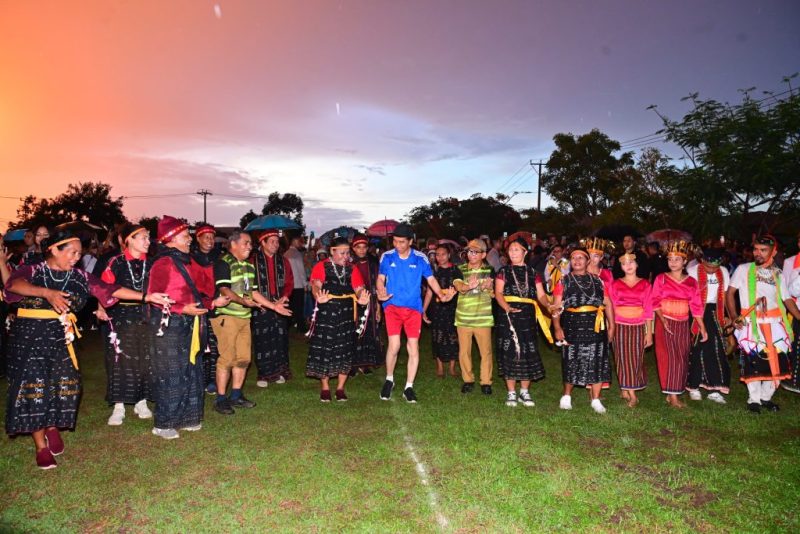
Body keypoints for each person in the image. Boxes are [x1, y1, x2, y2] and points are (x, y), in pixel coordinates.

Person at [4, 230, 171, 468]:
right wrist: (47, 292)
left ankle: (51, 426)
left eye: (79, 254)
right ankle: (41, 446)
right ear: (54, 249)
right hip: (29, 338)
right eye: (71, 253)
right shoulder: (33, 269)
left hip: (61, 337)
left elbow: (109, 290)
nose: (76, 258)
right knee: (35, 387)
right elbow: (14, 284)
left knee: (65, 384)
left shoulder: (80, 276)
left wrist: (146, 296)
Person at [147, 216, 229, 440]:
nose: (189, 238)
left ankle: (188, 418)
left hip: (189, 323)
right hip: (168, 325)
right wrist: (183, 309)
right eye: (185, 235)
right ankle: (163, 424)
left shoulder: (188, 261)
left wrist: (213, 303)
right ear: (170, 239)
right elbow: (154, 298)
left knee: (192, 370)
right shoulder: (162, 263)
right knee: (171, 373)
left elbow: (200, 289)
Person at [212, 230, 290, 415]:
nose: (250, 246)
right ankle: (221, 399)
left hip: (245, 318)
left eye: (250, 243)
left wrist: (273, 306)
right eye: (246, 243)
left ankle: (236, 395)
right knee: (227, 359)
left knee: (244, 358)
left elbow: (253, 293)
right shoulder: (224, 262)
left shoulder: (249, 266)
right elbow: (224, 289)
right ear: (234, 244)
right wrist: (242, 301)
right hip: (227, 317)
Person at [376, 223, 453, 403]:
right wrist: (380, 290)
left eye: (402, 242)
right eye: (395, 241)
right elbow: (380, 279)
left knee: (413, 347)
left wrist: (441, 294)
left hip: (413, 308)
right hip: (392, 305)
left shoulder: (420, 258)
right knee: (394, 345)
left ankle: (409, 387)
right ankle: (389, 380)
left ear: (411, 241)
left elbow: (431, 279)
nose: (397, 245)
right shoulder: (386, 257)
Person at [726, 235, 800, 413]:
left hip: (775, 324)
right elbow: (730, 293)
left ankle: (766, 398)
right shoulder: (743, 269)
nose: (757, 253)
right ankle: (754, 400)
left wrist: (799, 316)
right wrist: (735, 315)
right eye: (755, 249)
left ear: (773, 252)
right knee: (754, 361)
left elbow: (786, 299)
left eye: (763, 250)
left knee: (778, 361)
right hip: (752, 324)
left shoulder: (778, 273)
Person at [98, 224, 155, 426]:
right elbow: (105, 288)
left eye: (149, 238)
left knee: (144, 359)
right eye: (144, 238)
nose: (149, 242)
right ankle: (119, 406)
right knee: (120, 359)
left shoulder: (153, 263)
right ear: (129, 239)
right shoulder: (116, 262)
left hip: (145, 315)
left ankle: (141, 401)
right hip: (120, 315)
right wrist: (101, 307)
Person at [551, 247, 615, 414]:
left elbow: (607, 303)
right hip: (573, 325)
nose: (577, 261)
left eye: (581, 258)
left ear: (588, 261)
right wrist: (557, 327)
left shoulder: (599, 281)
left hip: (596, 325)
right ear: (570, 262)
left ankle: (595, 399)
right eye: (574, 258)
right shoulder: (564, 281)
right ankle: (566, 396)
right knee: (571, 359)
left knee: (598, 359)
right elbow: (556, 307)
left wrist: (612, 326)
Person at [306, 236, 370, 401]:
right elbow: (316, 284)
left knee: (345, 349)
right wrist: (317, 295)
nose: (345, 256)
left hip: (346, 314)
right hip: (326, 313)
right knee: (325, 348)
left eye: (347, 253)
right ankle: (325, 387)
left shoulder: (352, 268)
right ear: (332, 251)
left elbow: (358, 287)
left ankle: (340, 388)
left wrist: (362, 297)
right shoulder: (322, 266)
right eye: (342, 253)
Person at [650, 241, 708, 408]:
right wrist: (662, 319)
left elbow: (696, 306)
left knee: (681, 358)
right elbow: (655, 301)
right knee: (668, 358)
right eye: (670, 259)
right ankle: (673, 396)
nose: (673, 262)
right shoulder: (661, 279)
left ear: (685, 262)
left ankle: (672, 393)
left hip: (682, 324)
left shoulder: (691, 282)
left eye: (677, 259)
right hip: (665, 322)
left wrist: (702, 327)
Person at [494, 238, 551, 407]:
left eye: (517, 249)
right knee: (510, 350)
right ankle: (511, 392)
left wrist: (549, 304)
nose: (513, 252)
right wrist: (507, 308)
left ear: (525, 252)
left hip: (527, 316)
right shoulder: (503, 271)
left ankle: (524, 392)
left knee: (527, 350)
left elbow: (541, 295)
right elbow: (498, 293)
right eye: (511, 250)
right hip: (508, 316)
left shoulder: (534, 273)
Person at [686, 247, 731, 403]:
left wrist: (726, 316)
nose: (712, 270)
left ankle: (715, 388)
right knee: (697, 349)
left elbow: (724, 296)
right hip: (695, 312)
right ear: (701, 261)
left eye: (715, 267)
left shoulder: (724, 272)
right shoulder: (691, 271)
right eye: (708, 266)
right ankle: (694, 386)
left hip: (714, 312)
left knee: (716, 350)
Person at [608, 252, 653, 407]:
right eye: (624, 263)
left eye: (631, 262)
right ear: (620, 267)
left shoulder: (646, 284)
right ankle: (631, 393)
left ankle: (627, 387)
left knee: (636, 359)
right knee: (621, 358)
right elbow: (611, 308)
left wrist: (649, 333)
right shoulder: (615, 284)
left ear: (637, 264)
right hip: (620, 326)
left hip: (638, 326)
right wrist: (610, 327)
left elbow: (648, 310)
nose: (628, 266)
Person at [453, 239, 496, 395]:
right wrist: (468, 286)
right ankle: (468, 380)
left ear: (484, 254)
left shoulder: (490, 270)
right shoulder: (459, 269)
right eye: (469, 251)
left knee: (486, 352)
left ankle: (486, 382)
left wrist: (489, 288)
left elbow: (494, 295)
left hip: (483, 318)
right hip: (463, 318)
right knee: (464, 352)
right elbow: (459, 287)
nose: (471, 254)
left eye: (475, 252)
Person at [251, 229, 294, 387]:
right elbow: (249, 287)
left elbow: (289, 282)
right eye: (272, 242)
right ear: (263, 243)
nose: (276, 245)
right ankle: (263, 374)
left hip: (280, 304)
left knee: (280, 339)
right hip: (261, 306)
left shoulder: (284, 261)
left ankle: (278, 372)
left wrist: (286, 295)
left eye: (277, 242)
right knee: (262, 340)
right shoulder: (252, 261)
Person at [191, 224, 222, 395]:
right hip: (198, 306)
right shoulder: (190, 258)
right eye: (206, 237)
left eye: (212, 237)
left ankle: (212, 380)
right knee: (200, 345)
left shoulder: (219, 258)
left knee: (215, 346)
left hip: (216, 306)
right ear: (198, 238)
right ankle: (199, 380)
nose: (210, 241)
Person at [422, 244, 460, 378]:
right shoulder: (433, 273)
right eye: (437, 255)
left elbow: (460, 289)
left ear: (449, 255)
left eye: (443, 254)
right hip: (437, 308)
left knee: (453, 337)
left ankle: (452, 367)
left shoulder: (456, 270)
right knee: (437, 336)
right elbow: (429, 293)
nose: (440, 257)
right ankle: (439, 367)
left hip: (452, 308)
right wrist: (424, 310)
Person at [350, 234, 384, 374]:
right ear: (353, 248)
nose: (362, 250)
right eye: (359, 247)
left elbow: (378, 286)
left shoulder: (373, 264)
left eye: (364, 247)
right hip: (353, 302)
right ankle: (352, 364)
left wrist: (377, 306)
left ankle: (365, 363)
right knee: (354, 331)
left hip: (370, 300)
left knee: (368, 330)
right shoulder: (349, 264)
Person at [781, 232, 800, 394]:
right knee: (795, 346)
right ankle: (793, 380)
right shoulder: (790, 262)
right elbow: (786, 290)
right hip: (795, 309)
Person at [284, 235, 308, 333]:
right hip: (298, 285)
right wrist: (305, 284)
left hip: (289, 285)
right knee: (299, 307)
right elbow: (301, 270)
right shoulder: (296, 254)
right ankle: (301, 326)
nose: (300, 243)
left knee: (290, 306)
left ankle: (288, 324)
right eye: (298, 241)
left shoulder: (285, 254)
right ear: (293, 241)